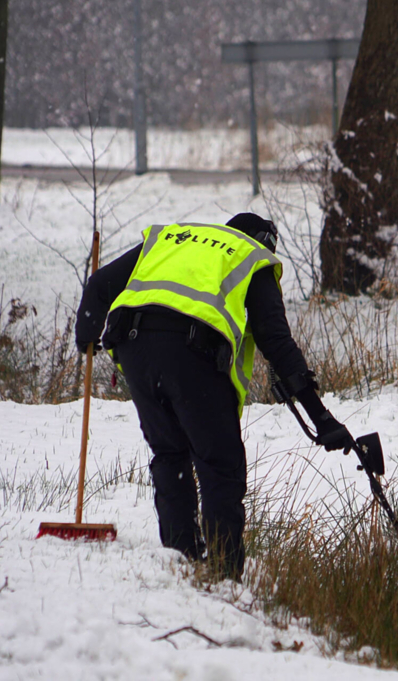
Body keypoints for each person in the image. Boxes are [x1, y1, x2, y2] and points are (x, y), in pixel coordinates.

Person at [75, 213, 355, 581]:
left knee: (170, 451)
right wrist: (321, 418)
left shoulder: (171, 235)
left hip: (134, 347)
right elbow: (276, 342)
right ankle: (224, 572)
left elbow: (99, 284)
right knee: (219, 463)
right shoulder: (254, 256)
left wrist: (87, 335)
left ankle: (181, 560)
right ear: (265, 241)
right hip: (190, 352)